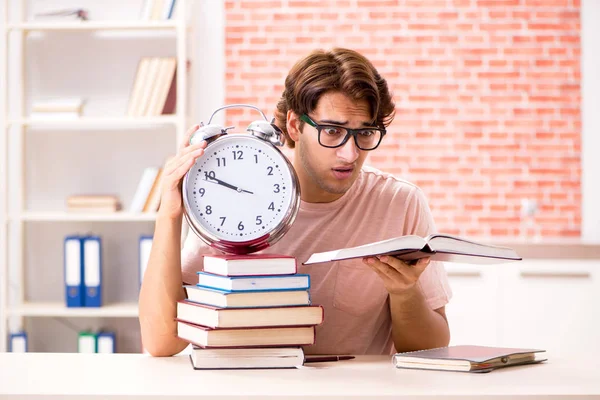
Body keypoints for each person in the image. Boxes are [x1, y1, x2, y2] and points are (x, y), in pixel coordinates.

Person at [139, 47, 452, 357]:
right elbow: (161, 341)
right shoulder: (230, 206)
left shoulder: (399, 203)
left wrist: (405, 294)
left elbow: (433, 349)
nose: (350, 154)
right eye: (332, 131)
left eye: (365, 133)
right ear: (293, 125)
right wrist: (169, 215)